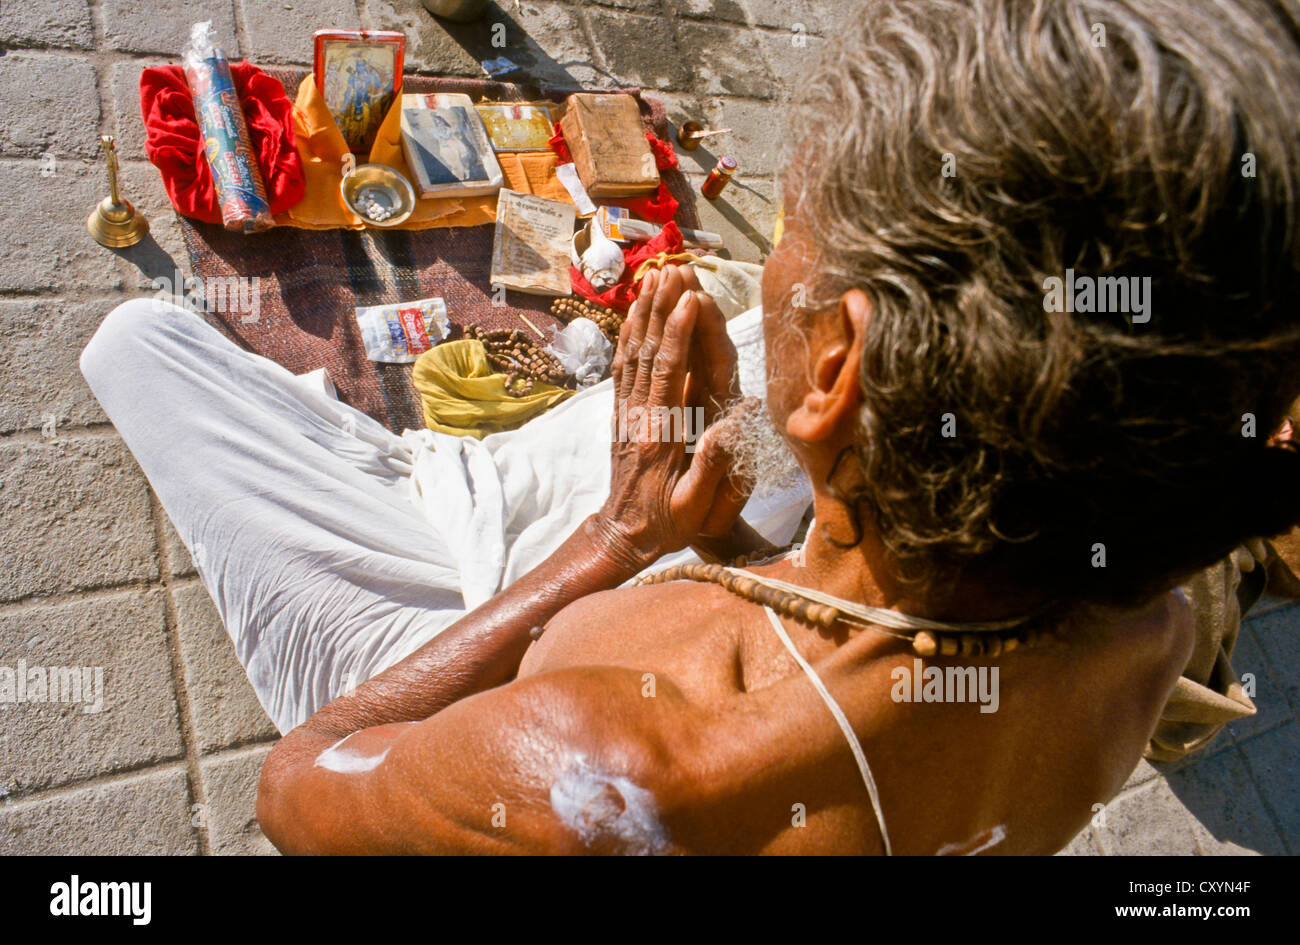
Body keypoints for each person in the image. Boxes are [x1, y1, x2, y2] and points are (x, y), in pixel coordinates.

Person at [88, 0, 1300, 854]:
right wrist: (727, 551)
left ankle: (421, 480)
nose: (770, 272)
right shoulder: (1147, 631)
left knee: (136, 349)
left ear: (833, 371)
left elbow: (294, 785)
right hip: (705, 608)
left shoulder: (596, 768)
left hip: (468, 683)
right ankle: (427, 475)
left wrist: (613, 544)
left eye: (792, 250)